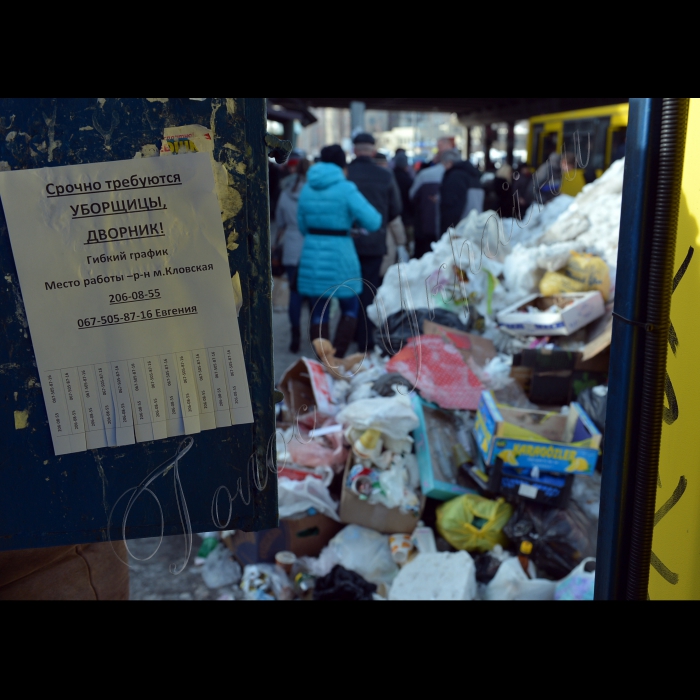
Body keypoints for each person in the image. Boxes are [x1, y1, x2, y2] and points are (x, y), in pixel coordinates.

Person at [297, 145, 382, 358]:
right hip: (341, 255)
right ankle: (337, 358)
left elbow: (302, 226)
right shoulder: (346, 188)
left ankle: (322, 359)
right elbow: (373, 221)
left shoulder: (307, 188)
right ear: (342, 164)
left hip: (312, 254)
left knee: (318, 310)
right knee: (350, 307)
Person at [347, 133, 402, 353]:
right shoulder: (385, 175)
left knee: (347, 289)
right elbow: (396, 210)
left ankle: (347, 333)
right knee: (370, 290)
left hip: (348, 241)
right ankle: (365, 339)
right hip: (375, 242)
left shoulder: (345, 174)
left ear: (353, 150)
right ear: (372, 150)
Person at [275, 157, 310, 353]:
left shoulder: (286, 194)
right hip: (311, 247)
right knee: (314, 292)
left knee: (294, 294)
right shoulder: (314, 194)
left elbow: (279, 221)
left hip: (291, 247)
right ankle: (316, 334)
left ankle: (295, 335)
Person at [439, 149, 484, 234]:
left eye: (444, 164)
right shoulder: (472, 174)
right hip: (474, 224)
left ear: (449, 162)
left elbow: (453, 204)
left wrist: (449, 229)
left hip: (461, 227)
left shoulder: (455, 177)